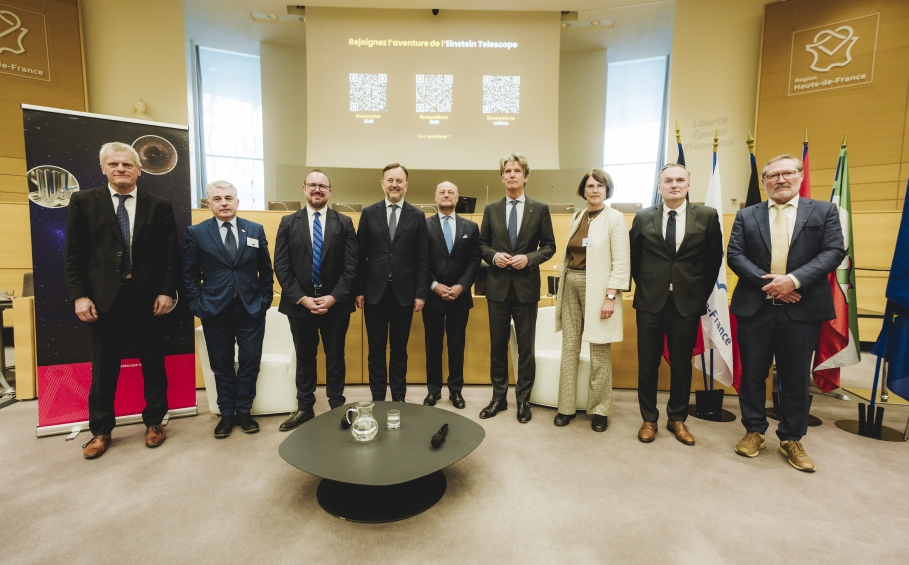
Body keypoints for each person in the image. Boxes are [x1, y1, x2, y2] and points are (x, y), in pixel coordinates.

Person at [728, 154, 845, 472]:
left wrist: (793, 281)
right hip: (756, 308)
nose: (780, 179)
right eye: (773, 175)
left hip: (802, 309)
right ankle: (753, 430)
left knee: (795, 377)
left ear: (800, 176)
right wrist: (772, 285)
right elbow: (735, 255)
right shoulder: (747, 215)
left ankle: (791, 438)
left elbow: (834, 251)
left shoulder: (823, 211)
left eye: (787, 173)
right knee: (752, 374)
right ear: (764, 181)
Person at [64, 142, 178, 459]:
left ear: (139, 170)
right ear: (103, 168)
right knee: (103, 370)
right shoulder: (83, 202)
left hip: (147, 300)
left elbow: (170, 255)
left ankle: (155, 422)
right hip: (102, 301)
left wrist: (167, 291)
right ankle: (100, 430)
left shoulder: (159, 205)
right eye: (113, 164)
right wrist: (80, 296)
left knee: (154, 366)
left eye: (127, 164)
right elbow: (73, 255)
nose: (120, 169)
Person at [629, 163, 723, 445]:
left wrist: (698, 294)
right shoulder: (644, 217)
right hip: (649, 301)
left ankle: (677, 418)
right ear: (659, 187)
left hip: (687, 302)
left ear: (688, 185)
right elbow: (634, 258)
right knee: (647, 364)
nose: (674, 185)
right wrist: (647, 285)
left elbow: (713, 260)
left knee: (681, 364)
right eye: (668, 180)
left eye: (680, 180)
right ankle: (648, 418)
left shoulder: (706, 216)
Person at [182, 180, 274, 438]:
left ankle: (244, 412)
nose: (224, 203)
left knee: (249, 362)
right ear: (209, 203)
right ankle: (226, 414)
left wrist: (265, 300)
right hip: (214, 310)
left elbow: (266, 270)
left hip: (251, 310)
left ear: (237, 202)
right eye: (218, 198)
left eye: (229, 198)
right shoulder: (197, 232)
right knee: (221, 365)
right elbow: (189, 274)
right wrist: (197, 304)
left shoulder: (254, 229)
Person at [274, 170, 358, 431]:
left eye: (323, 186)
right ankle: (305, 407)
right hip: (300, 306)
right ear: (304, 189)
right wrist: (301, 298)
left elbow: (352, 266)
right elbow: (281, 265)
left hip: (336, 305)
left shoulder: (344, 223)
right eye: (313, 185)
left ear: (330, 191)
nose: (317, 190)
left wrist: (334, 297)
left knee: (335, 357)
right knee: (305, 356)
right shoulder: (288, 222)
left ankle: (337, 406)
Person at [477, 153, 556, 423]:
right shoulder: (491, 208)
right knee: (497, 346)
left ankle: (523, 400)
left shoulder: (540, 208)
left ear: (525, 177)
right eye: (507, 171)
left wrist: (529, 258)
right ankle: (498, 398)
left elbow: (549, 246)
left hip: (526, 289)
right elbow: (481, 244)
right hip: (497, 287)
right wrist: (493, 256)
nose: (512, 175)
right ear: (502, 178)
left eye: (517, 171)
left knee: (526, 348)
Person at [553, 169, 630, 432]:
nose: (595, 190)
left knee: (598, 351)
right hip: (571, 285)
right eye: (590, 186)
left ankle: (599, 410)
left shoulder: (615, 219)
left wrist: (610, 297)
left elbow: (621, 262)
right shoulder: (578, 216)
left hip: (598, 290)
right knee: (570, 348)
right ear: (583, 190)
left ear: (607, 190)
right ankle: (566, 407)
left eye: (600, 186)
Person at [355, 163, 429, 402]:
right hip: (374, 293)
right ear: (382, 184)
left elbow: (422, 258)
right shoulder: (369, 213)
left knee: (399, 351)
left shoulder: (417, 216)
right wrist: (358, 290)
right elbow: (359, 256)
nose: (394, 185)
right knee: (375, 351)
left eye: (399, 181)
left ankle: (399, 399)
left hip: (404, 295)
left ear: (406, 185)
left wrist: (421, 294)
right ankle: (377, 398)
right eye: (390, 180)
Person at [422, 182, 480, 409]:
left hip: (460, 297)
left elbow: (475, 261)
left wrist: (461, 286)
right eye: (442, 192)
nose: (446, 195)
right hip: (432, 296)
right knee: (432, 345)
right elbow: (419, 260)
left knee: (457, 346)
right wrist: (433, 285)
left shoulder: (471, 227)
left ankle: (456, 391)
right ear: (436, 197)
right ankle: (433, 390)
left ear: (457, 198)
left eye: (451, 192)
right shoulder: (423, 225)